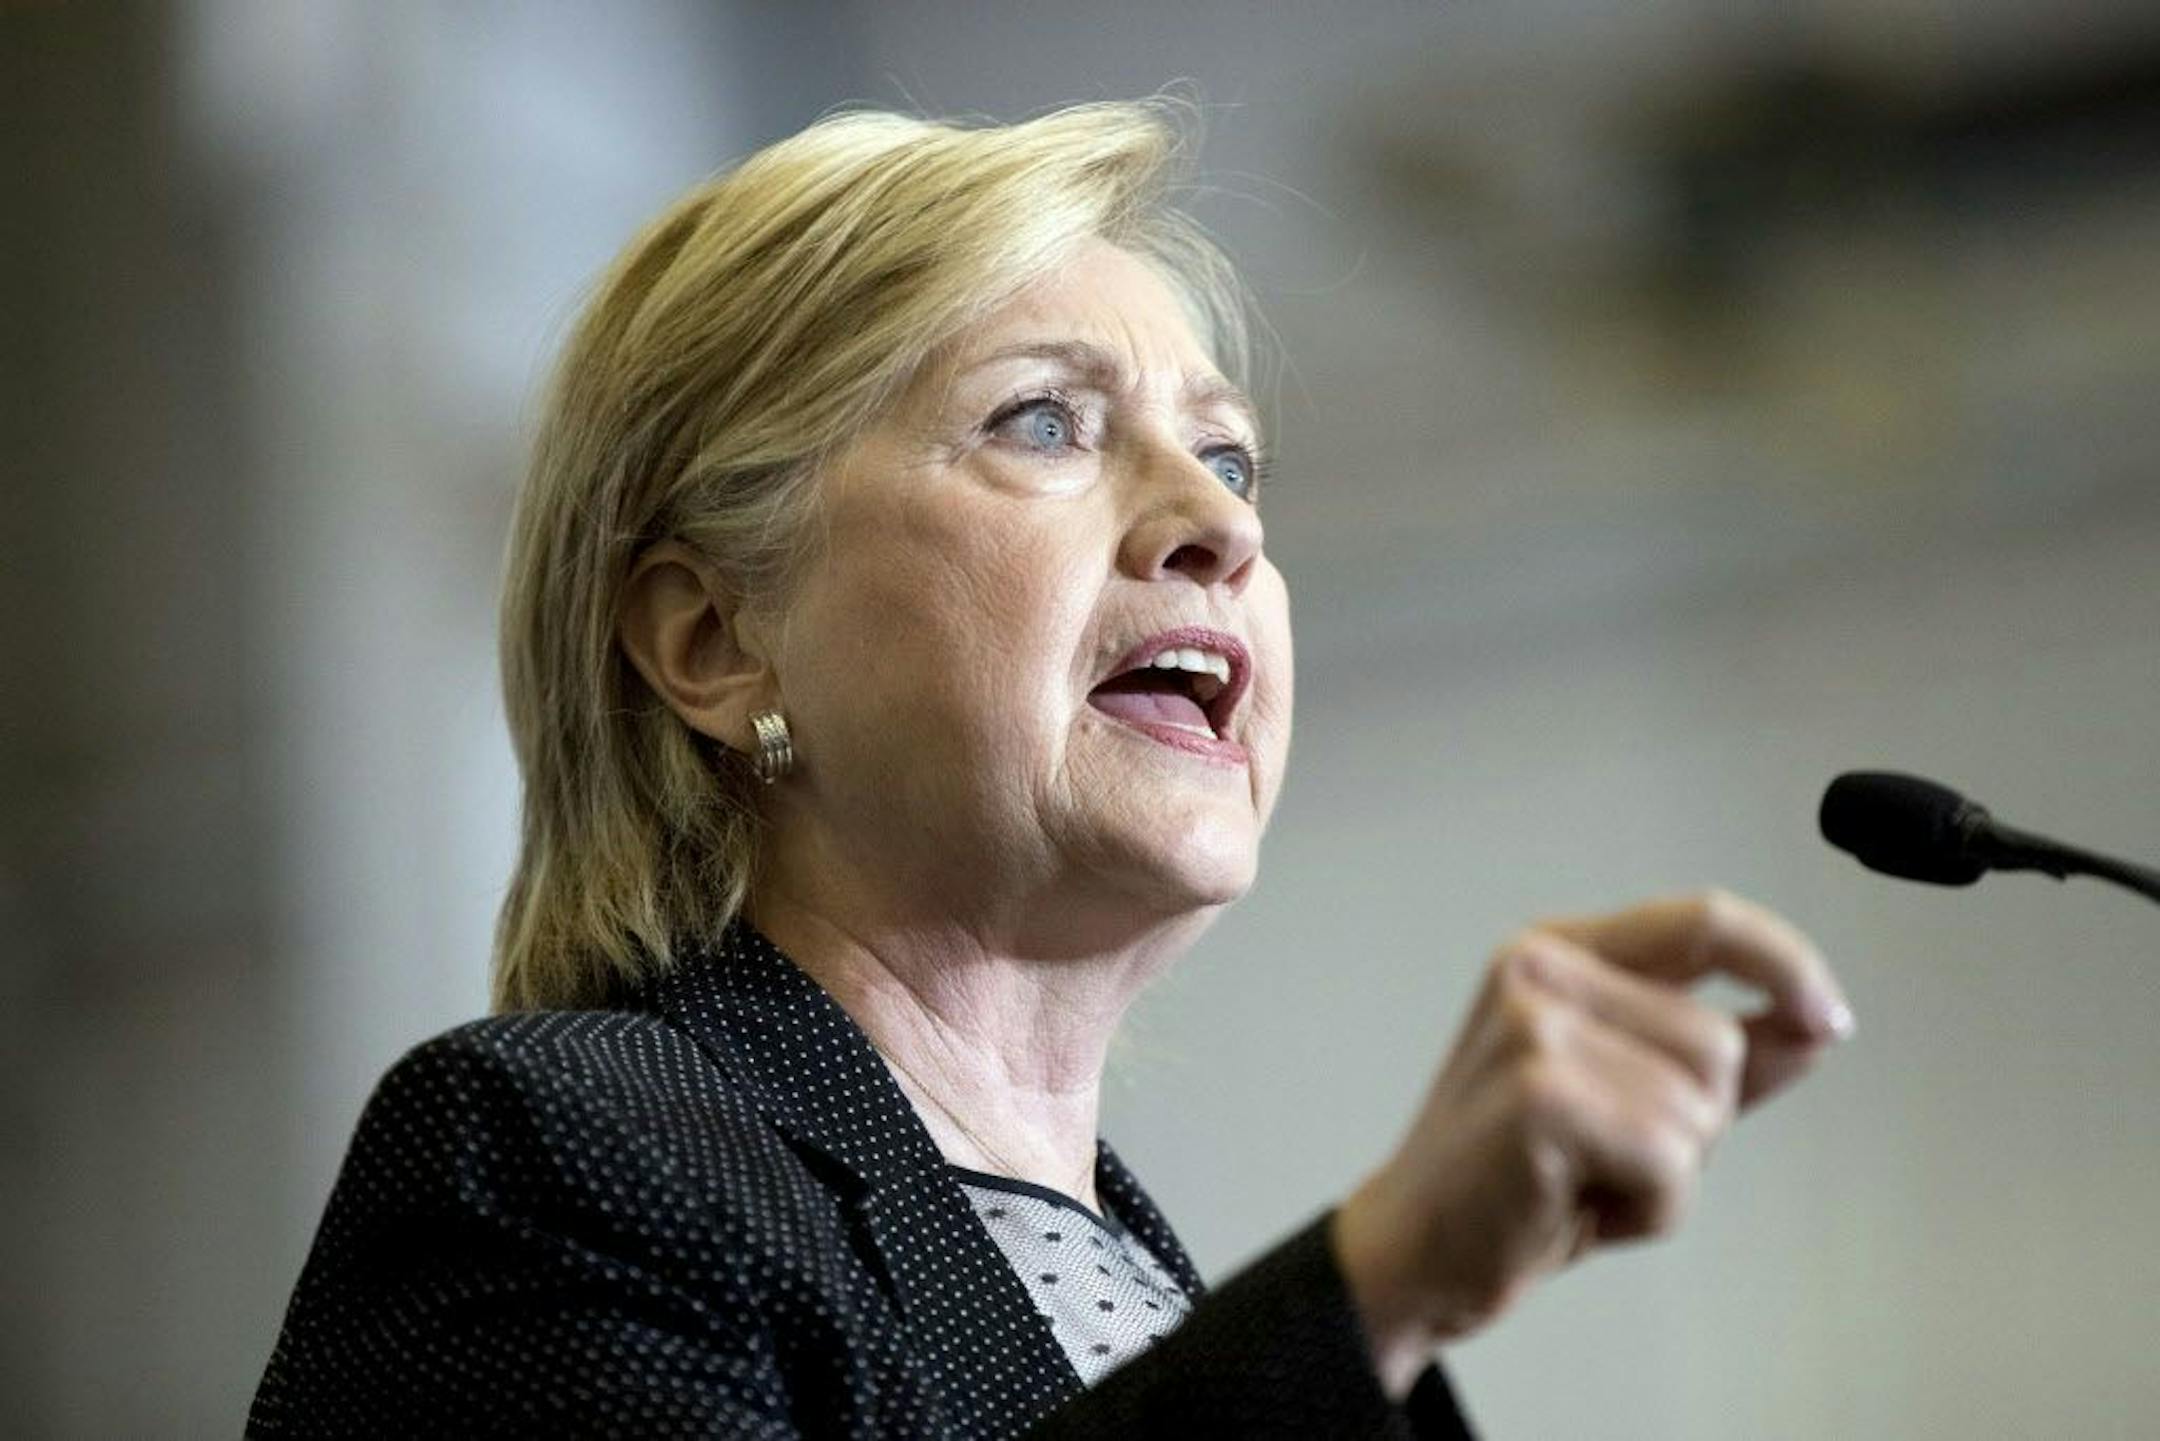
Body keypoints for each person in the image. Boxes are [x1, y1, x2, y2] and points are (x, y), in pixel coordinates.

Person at [248, 98, 1854, 1438]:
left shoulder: (1149, 1296)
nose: (1220, 523)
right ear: (714, 641)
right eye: (1042, 423)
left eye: (1227, 456)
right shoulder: (546, 1160)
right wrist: (1381, 1290)